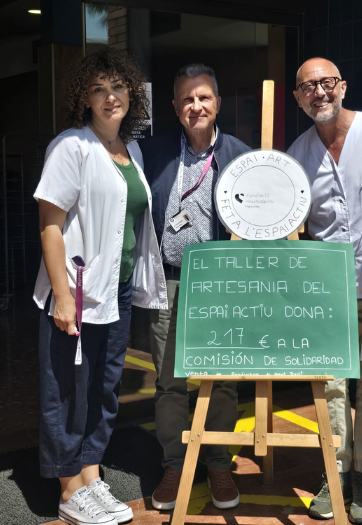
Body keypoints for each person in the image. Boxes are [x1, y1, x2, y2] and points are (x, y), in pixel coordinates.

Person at [34, 47, 166, 525]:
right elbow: (50, 225)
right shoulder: (72, 146)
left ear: (131, 91)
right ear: (84, 98)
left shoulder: (132, 152)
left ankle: (90, 475)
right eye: (98, 89)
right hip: (77, 291)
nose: (110, 97)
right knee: (69, 389)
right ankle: (69, 488)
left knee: (104, 388)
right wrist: (63, 296)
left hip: (117, 290)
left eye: (118, 87)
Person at [286, 57, 362, 523]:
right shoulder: (296, 155)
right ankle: (333, 474)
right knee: (331, 388)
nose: (319, 92)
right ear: (297, 98)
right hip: (327, 294)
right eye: (308, 87)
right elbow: (292, 225)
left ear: (343, 86)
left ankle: (361, 476)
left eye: (326, 83)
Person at [139, 63, 251, 511]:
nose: (195, 106)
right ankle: (174, 462)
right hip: (168, 278)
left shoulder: (242, 155)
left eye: (203, 97)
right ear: (174, 107)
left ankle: (219, 462)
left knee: (222, 379)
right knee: (170, 379)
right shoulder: (154, 151)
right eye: (186, 99)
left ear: (217, 103)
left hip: (221, 283)